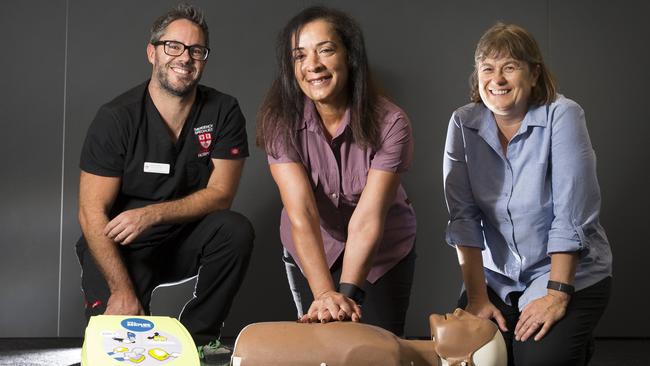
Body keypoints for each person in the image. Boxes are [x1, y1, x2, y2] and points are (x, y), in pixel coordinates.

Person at [75, 4, 253, 364]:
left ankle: (198, 337)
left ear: (204, 59)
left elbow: (222, 195)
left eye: (196, 50)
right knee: (119, 345)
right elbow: (90, 211)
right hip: (122, 246)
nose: (185, 58)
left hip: (183, 239)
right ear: (152, 52)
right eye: (173, 46)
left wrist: (153, 214)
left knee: (235, 229)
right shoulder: (116, 118)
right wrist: (122, 290)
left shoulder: (223, 110)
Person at [443, 23, 613, 366]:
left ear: (534, 74)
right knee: (472, 357)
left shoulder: (562, 115)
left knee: (537, 360)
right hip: (495, 278)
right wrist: (476, 298)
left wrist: (556, 295)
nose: (497, 79)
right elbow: (463, 218)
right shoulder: (463, 123)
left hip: (562, 274)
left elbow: (571, 216)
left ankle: (573, 346)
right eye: (487, 68)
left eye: (510, 67)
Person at [256, 6, 416, 336]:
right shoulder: (279, 122)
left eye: (325, 50)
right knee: (321, 345)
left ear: (350, 56)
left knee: (379, 349)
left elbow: (369, 217)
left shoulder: (391, 122)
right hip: (315, 246)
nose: (312, 65)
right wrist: (325, 294)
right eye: (299, 56)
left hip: (382, 249)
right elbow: (301, 213)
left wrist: (345, 296)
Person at [231, 308, 507, 366]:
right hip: (250, 346)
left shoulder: (387, 355)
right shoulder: (390, 346)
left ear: (463, 362)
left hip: (247, 355)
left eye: (471, 326)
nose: (461, 310)